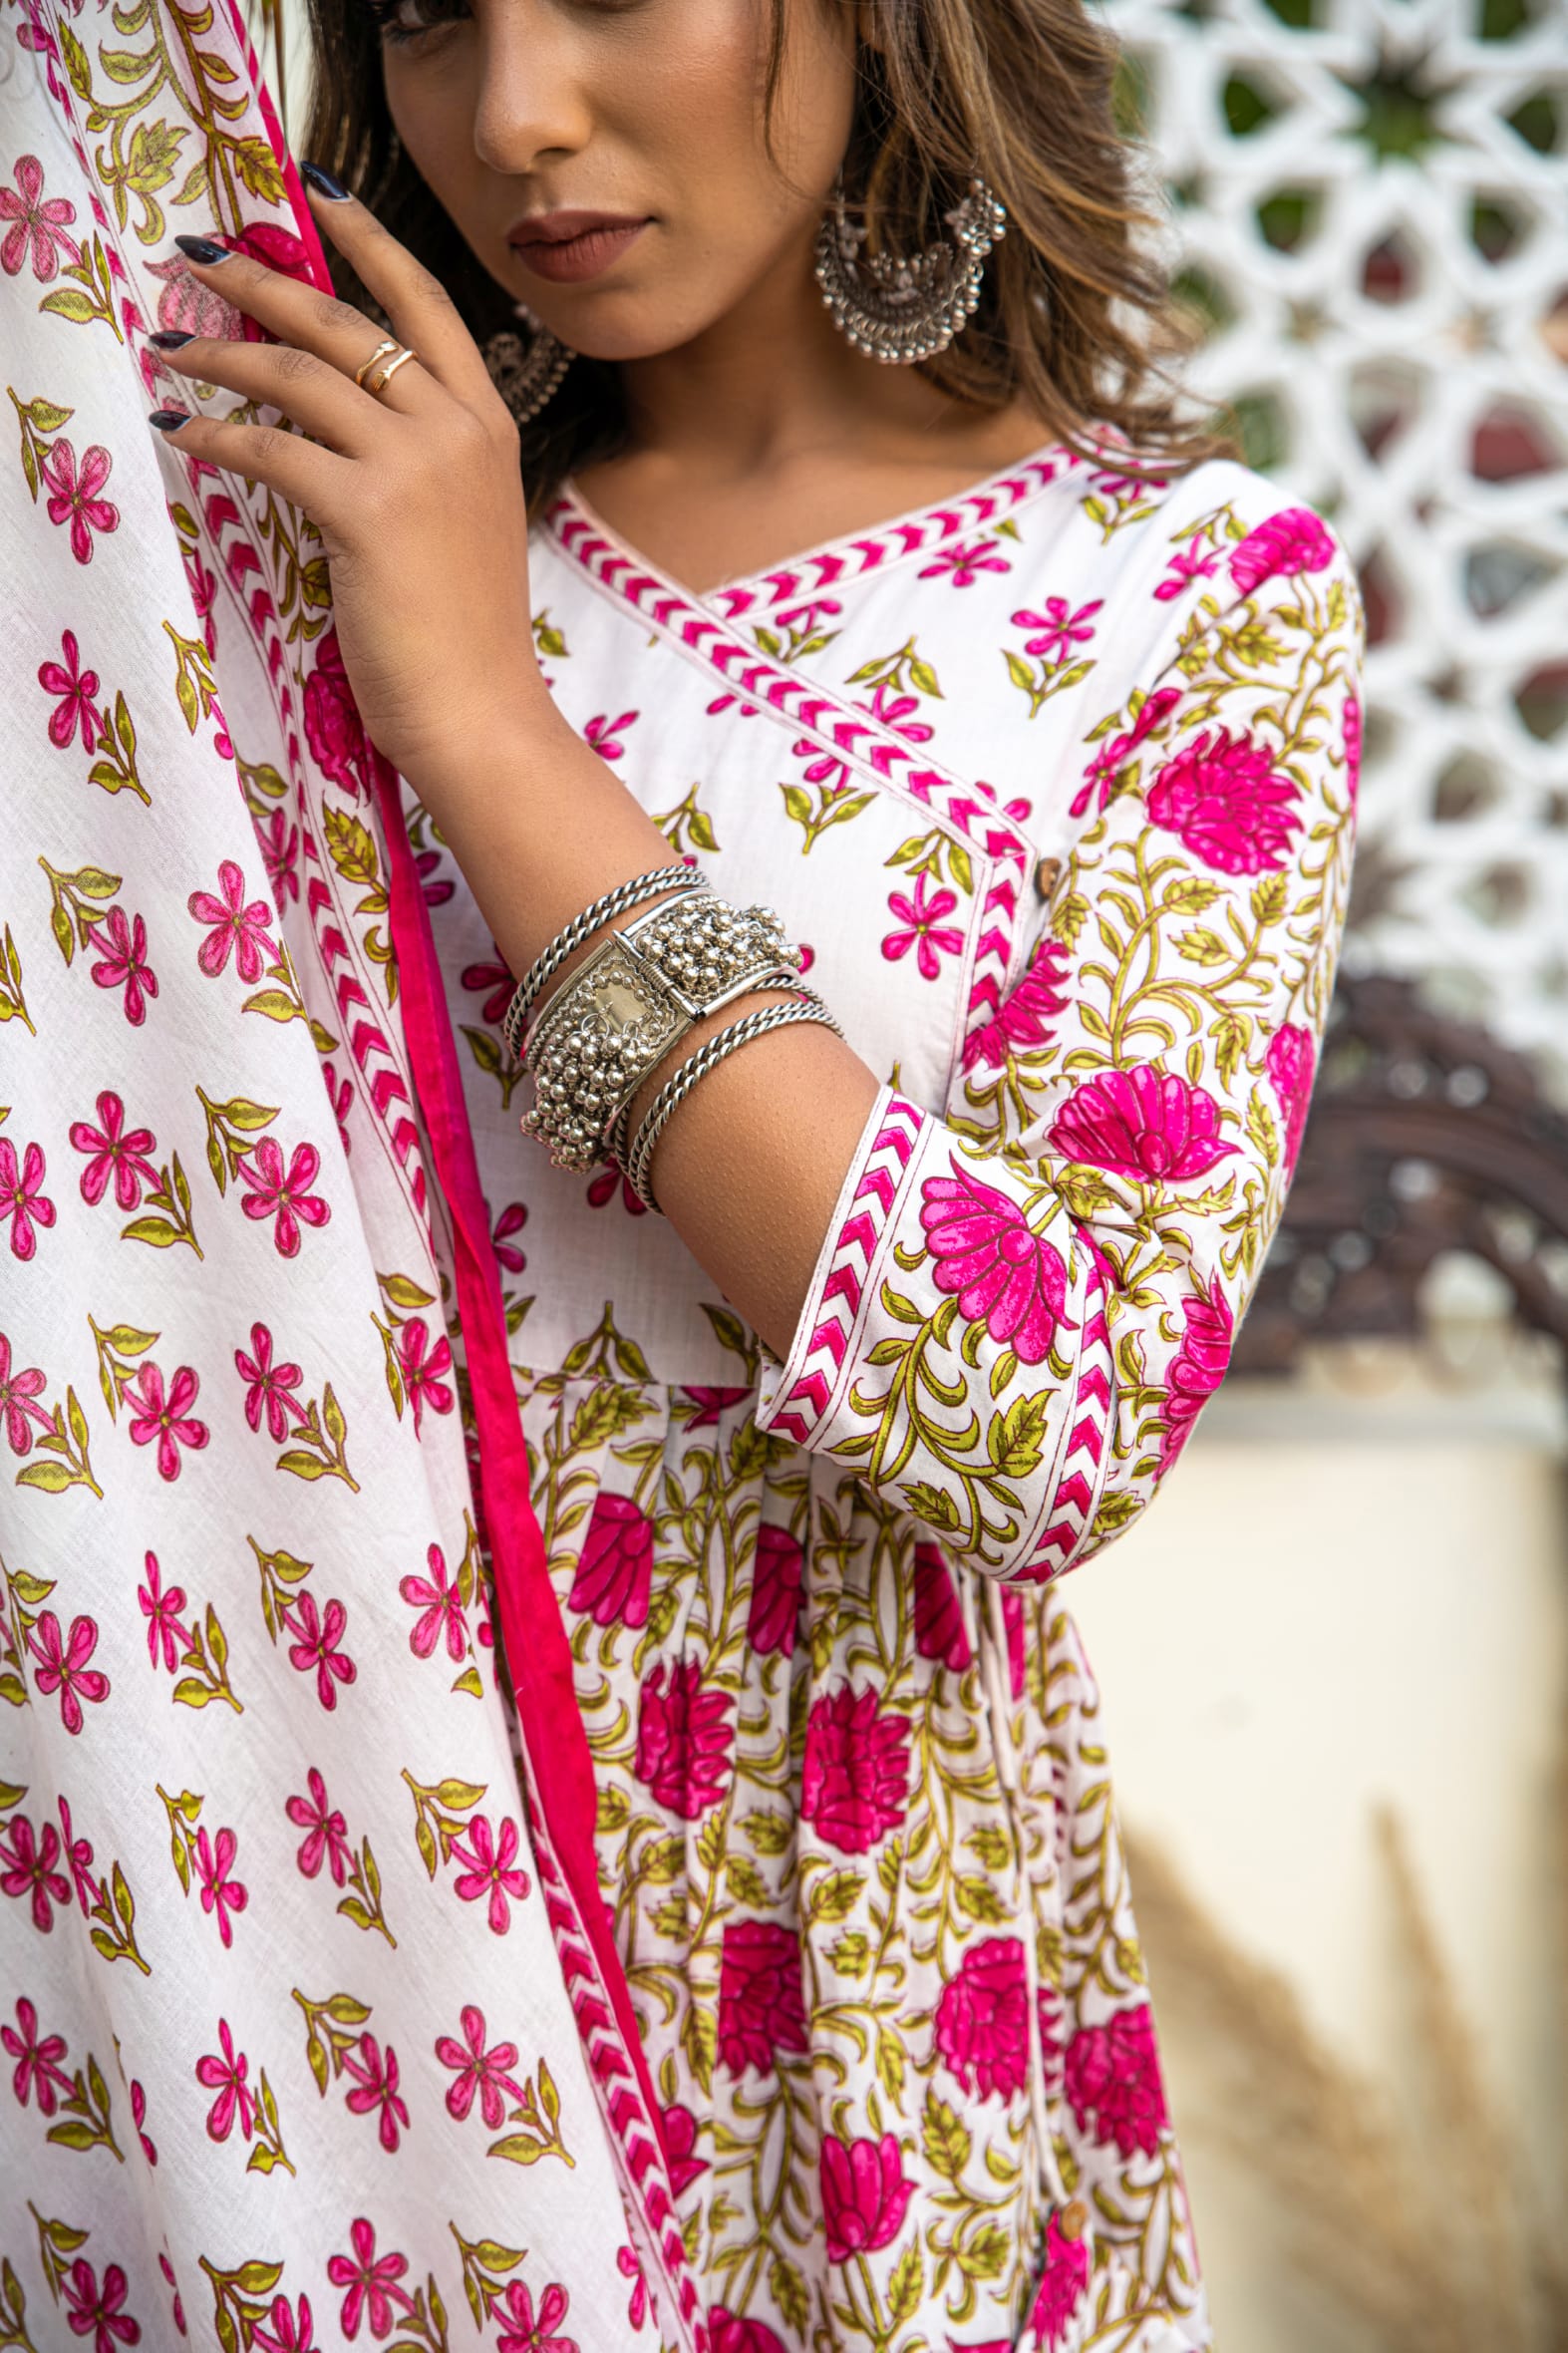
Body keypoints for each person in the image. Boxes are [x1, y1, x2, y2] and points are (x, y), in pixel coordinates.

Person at [27, 0, 1358, 2343]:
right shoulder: (272, 536)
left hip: (820, 1951)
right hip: (293, 1873)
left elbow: (1042, 1404)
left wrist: (483, 720)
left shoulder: (1190, 604)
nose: (516, 115)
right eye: (429, 19)